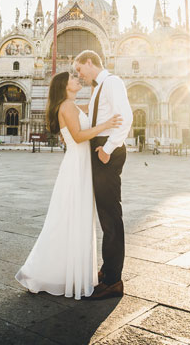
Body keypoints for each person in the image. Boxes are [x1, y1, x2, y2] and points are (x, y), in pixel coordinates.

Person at [15, 71, 122, 300]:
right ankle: (51, 271)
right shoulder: (66, 106)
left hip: (81, 164)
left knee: (75, 218)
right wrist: (108, 123)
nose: (77, 80)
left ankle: (69, 272)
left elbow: (91, 108)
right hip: (76, 166)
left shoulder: (72, 105)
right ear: (64, 86)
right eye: (73, 79)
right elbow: (79, 135)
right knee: (68, 218)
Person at [74, 50, 133, 299]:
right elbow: (97, 115)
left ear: (90, 62)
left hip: (107, 150)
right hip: (101, 147)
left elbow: (125, 117)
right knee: (105, 215)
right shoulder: (100, 87)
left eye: (79, 70)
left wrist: (108, 149)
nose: (79, 75)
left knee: (110, 217)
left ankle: (113, 281)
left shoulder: (113, 82)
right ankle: (107, 270)